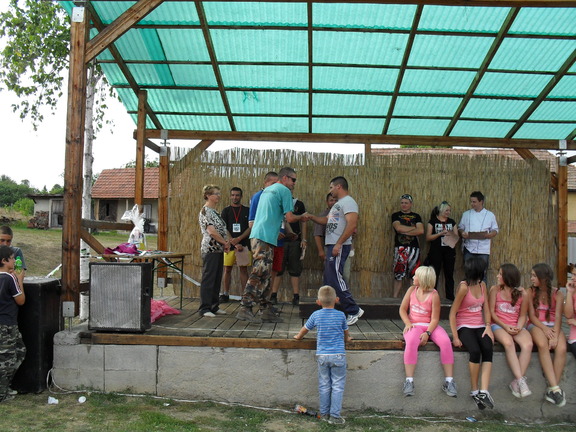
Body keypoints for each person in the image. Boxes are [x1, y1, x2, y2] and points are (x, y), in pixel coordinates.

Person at [236, 167, 306, 323]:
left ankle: (265, 309)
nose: (294, 183)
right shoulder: (284, 191)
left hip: (260, 235)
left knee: (266, 274)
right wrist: (303, 216)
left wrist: (287, 231)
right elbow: (290, 217)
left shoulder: (267, 191)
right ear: (285, 178)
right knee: (259, 271)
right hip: (265, 237)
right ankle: (245, 307)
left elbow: (278, 217)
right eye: (293, 179)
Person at [304, 176, 363, 325]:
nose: (330, 191)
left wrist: (338, 244)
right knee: (329, 279)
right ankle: (328, 311)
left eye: (331, 187)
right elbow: (326, 221)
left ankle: (354, 310)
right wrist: (311, 217)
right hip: (332, 245)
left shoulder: (349, 202)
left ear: (338, 187)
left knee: (336, 278)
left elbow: (352, 224)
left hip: (339, 245)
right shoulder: (338, 205)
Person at [294, 285, 351, 425]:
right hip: (338, 355)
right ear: (337, 300)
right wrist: (348, 339)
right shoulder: (341, 315)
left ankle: (324, 413)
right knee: (337, 386)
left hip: (322, 355)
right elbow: (346, 333)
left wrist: (298, 336)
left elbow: (305, 329)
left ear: (318, 302)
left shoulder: (316, 315)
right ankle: (335, 416)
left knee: (324, 385)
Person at [399, 266, 457, 398]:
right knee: (411, 341)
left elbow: (435, 318)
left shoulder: (434, 295)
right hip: (414, 325)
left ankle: (449, 381)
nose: (413, 277)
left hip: (430, 325)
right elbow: (402, 309)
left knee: (445, 341)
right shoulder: (411, 290)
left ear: (423, 279)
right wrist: (408, 323)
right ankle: (409, 381)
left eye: (416, 276)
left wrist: (428, 333)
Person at [449, 257, 494, 410]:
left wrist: (488, 326)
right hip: (464, 325)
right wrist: (455, 336)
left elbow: (486, 308)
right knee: (474, 351)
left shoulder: (483, 285)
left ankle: (484, 391)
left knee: (488, 347)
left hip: (479, 324)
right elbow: (452, 313)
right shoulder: (464, 287)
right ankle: (474, 390)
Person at [489, 263, 532, 398]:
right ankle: (521, 380)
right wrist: (505, 326)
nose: (497, 276)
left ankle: (516, 382)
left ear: (508, 277)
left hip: (515, 325)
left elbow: (523, 315)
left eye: (500, 274)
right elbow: (491, 313)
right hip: (498, 325)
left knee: (528, 344)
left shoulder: (522, 294)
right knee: (508, 343)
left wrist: (518, 327)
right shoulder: (495, 290)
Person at [527, 263, 566, 407]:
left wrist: (555, 334)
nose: (531, 278)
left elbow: (558, 317)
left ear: (543, 278)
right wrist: (544, 329)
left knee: (561, 348)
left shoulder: (557, 293)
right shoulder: (530, 292)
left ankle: (552, 389)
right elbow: (532, 316)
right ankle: (556, 388)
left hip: (553, 325)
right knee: (543, 344)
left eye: (534, 276)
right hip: (537, 324)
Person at [198, 185, 230, 318]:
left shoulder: (215, 212)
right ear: (208, 195)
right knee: (209, 277)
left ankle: (214, 305)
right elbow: (211, 231)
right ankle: (204, 307)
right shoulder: (205, 211)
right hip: (210, 248)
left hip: (218, 249)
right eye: (216, 193)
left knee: (217, 278)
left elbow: (221, 229)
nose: (218, 196)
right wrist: (224, 242)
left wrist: (225, 243)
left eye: (219, 193)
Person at [0, 245, 26, 402]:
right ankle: (2, 393)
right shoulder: (10, 278)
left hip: (7, 325)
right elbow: (20, 300)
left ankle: (5, 387)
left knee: (20, 350)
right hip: (7, 325)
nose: (14, 261)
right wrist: (19, 279)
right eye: (11, 258)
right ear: (4, 261)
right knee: (7, 360)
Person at [271, 195, 306, 306]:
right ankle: (273, 295)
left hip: (294, 240)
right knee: (278, 269)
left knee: (295, 268)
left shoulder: (298, 204)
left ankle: (296, 296)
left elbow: (303, 221)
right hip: (279, 240)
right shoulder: (277, 202)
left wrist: (304, 239)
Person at [219, 187, 251, 303]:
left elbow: (250, 227)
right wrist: (233, 241)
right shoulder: (226, 211)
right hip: (229, 245)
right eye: (232, 195)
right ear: (230, 196)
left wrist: (239, 239)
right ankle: (225, 294)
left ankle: (245, 295)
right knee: (227, 269)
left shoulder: (247, 210)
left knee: (243, 269)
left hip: (244, 244)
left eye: (237, 195)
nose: (235, 197)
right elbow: (224, 228)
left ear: (241, 196)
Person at [458, 191, 498, 282]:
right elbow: (460, 227)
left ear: (481, 201)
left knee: (483, 274)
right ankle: (469, 290)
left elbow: (495, 230)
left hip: (483, 249)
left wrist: (489, 235)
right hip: (469, 248)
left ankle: (482, 291)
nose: (472, 204)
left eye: (474, 202)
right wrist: (462, 233)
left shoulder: (490, 215)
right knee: (468, 273)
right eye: (471, 201)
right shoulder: (466, 214)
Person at [425, 201, 458, 301]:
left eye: (449, 211)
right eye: (446, 210)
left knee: (449, 274)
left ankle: (450, 297)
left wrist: (450, 235)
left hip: (449, 250)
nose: (448, 212)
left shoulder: (452, 222)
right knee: (435, 273)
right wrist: (439, 234)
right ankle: (432, 296)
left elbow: (457, 237)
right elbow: (428, 237)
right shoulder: (433, 222)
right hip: (436, 251)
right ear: (441, 210)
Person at [392, 194, 424, 298]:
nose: (404, 205)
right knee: (398, 275)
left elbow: (421, 230)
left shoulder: (416, 216)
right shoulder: (396, 215)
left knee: (413, 275)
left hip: (414, 248)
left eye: (406, 203)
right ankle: (394, 298)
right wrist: (413, 228)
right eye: (402, 203)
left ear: (411, 204)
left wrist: (404, 231)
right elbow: (398, 228)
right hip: (400, 248)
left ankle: (414, 298)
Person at [313, 193, 337, 264]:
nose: (334, 202)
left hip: (342, 247)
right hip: (328, 248)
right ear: (327, 202)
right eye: (331, 200)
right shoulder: (322, 216)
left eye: (336, 200)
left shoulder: (343, 214)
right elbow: (317, 234)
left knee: (344, 270)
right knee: (329, 268)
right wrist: (321, 251)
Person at [565, 264, 576, 360]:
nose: (572, 278)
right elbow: (568, 315)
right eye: (572, 274)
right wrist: (570, 292)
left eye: (575, 275)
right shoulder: (574, 294)